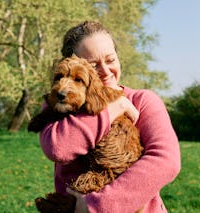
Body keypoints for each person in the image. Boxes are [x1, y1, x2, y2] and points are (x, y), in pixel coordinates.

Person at [39, 20, 181, 213]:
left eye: (110, 59)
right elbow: (58, 148)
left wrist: (97, 206)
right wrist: (113, 108)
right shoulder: (60, 102)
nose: (105, 71)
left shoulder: (142, 100)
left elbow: (166, 161)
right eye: (93, 65)